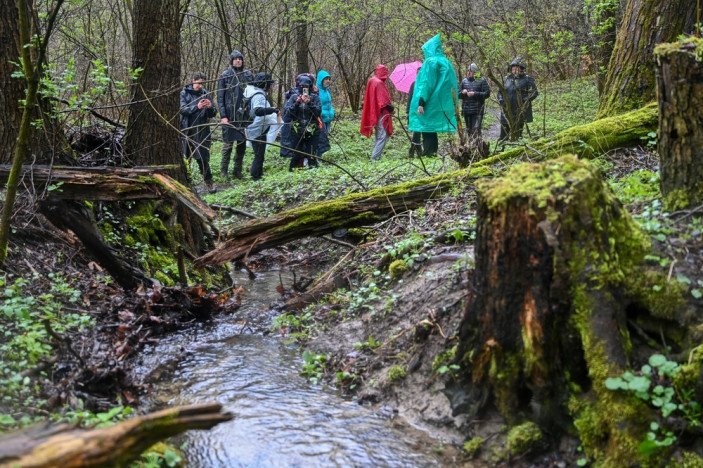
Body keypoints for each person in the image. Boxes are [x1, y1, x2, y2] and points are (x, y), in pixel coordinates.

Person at [408, 34, 458, 156]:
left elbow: (427, 83)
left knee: (426, 128)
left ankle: (429, 153)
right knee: (431, 129)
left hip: (430, 102)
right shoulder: (445, 61)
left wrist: (421, 102)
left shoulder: (431, 62)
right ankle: (433, 152)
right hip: (442, 102)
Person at [217, 50, 252, 179]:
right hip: (229, 116)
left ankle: (237, 171)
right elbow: (220, 97)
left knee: (241, 144)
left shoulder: (247, 75)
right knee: (227, 145)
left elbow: (254, 91)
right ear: (232, 61)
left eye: (240, 58)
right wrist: (223, 116)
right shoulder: (225, 75)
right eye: (236, 59)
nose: (238, 60)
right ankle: (223, 171)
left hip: (243, 115)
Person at [180, 72, 217, 192]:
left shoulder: (205, 93)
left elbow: (213, 113)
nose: (201, 86)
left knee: (203, 158)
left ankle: (209, 182)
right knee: (187, 158)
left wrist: (210, 106)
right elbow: (182, 110)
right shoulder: (184, 93)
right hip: (188, 130)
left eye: (203, 83)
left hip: (202, 130)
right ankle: (187, 185)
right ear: (193, 81)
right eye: (199, 83)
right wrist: (197, 107)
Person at [284, 74, 322, 171]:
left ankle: (313, 170)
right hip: (297, 129)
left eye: (306, 86)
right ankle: (294, 171)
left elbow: (318, 112)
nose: (304, 88)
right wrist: (297, 103)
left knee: (311, 152)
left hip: (312, 129)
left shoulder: (315, 98)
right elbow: (288, 114)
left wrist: (309, 103)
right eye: (302, 86)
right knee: (296, 153)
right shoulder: (293, 97)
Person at [245, 72, 278, 180]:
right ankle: (255, 176)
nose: (270, 86)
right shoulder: (258, 95)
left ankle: (259, 173)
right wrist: (272, 110)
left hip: (258, 128)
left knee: (260, 154)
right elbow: (258, 111)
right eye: (269, 84)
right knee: (259, 155)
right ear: (265, 84)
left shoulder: (255, 93)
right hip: (256, 128)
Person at [498, 57, 538, 142]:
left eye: (516, 67)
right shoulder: (506, 79)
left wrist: (525, 100)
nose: (514, 69)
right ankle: (501, 150)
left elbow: (535, 92)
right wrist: (501, 100)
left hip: (519, 110)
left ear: (521, 68)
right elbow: (500, 92)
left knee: (517, 134)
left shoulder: (527, 79)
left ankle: (516, 149)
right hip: (506, 110)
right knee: (503, 133)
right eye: (513, 67)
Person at [360, 64, 394, 161]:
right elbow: (383, 102)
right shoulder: (378, 82)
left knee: (379, 135)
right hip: (381, 113)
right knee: (383, 135)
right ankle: (374, 158)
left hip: (375, 112)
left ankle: (376, 156)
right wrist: (391, 108)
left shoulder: (372, 80)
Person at [459, 63, 491, 140]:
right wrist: (462, 92)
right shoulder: (464, 81)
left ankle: (478, 148)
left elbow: (487, 94)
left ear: (475, 72)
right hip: (466, 110)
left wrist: (475, 94)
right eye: (468, 71)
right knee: (469, 131)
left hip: (477, 111)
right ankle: (470, 148)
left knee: (476, 131)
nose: (468, 73)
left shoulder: (482, 80)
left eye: (471, 71)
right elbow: (458, 95)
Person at [316, 70, 335, 158]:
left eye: (329, 79)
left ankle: (319, 156)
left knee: (325, 138)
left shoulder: (327, 91)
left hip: (328, 119)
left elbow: (329, 104)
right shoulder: (316, 91)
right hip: (320, 119)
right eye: (326, 79)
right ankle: (316, 157)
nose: (328, 81)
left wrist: (332, 112)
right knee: (319, 138)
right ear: (321, 80)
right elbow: (316, 105)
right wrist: (322, 113)